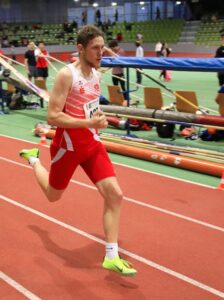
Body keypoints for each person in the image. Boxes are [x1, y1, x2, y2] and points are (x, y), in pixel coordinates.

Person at [19, 24, 137, 276]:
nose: (100, 53)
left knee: (115, 195)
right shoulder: (66, 75)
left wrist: (99, 119)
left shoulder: (96, 74)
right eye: (95, 48)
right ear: (80, 48)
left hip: (91, 143)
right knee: (53, 195)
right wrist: (88, 123)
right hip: (68, 146)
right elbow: (52, 117)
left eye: (102, 48)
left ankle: (111, 256)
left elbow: (89, 108)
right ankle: (33, 160)